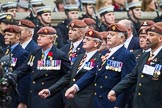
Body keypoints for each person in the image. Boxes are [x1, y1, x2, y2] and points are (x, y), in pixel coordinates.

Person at [65, 23, 136, 108]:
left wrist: (119, 105)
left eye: (112, 35)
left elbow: (127, 83)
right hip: (98, 101)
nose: (108, 37)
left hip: (111, 102)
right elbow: (93, 72)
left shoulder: (126, 55)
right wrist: (76, 87)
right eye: (108, 34)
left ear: (122, 38)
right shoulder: (104, 53)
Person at [38, 29, 102, 108]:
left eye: (88, 39)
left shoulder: (99, 59)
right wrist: (50, 90)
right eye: (84, 38)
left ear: (96, 43)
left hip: (87, 102)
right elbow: (68, 77)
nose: (84, 41)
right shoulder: (79, 57)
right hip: (71, 100)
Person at [13, 26, 71, 108]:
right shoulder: (35, 53)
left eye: (42, 36)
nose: (38, 38)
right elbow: (24, 68)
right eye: (39, 36)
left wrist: (53, 89)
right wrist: (13, 75)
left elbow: (68, 75)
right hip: (34, 95)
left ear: (51, 39)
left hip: (50, 97)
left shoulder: (59, 55)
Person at [108, 22, 162, 108]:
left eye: (151, 35)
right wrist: (115, 90)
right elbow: (133, 76)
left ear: (160, 38)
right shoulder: (145, 55)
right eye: (147, 35)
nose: (147, 38)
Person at [3, 25, 29, 108]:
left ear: (18, 36)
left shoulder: (22, 53)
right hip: (4, 93)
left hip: (14, 95)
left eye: (9, 35)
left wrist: (22, 101)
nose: (6, 37)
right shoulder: (4, 51)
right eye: (5, 35)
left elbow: (24, 78)